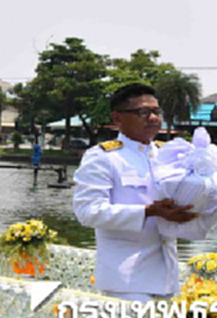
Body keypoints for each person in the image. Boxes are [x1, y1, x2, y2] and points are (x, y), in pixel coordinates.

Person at [72, 83, 197, 301]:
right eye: (143, 112)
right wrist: (148, 211)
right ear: (118, 119)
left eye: (156, 111)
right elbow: (88, 211)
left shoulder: (167, 156)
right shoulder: (103, 157)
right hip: (126, 279)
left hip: (167, 277)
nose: (153, 118)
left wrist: (206, 207)